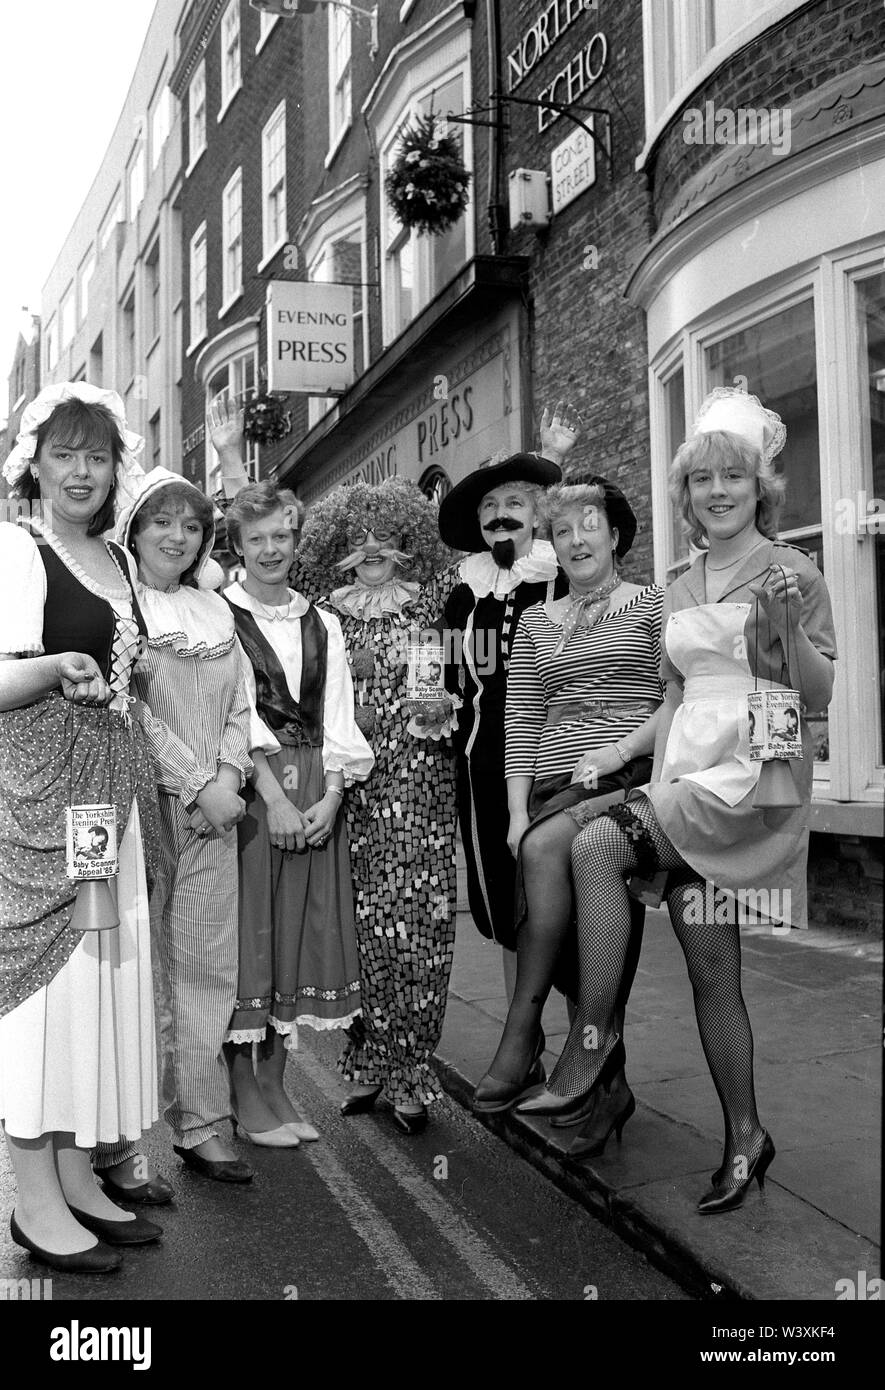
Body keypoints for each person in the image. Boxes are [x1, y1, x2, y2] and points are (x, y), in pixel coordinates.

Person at [517, 389, 837, 1214]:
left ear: (758, 487)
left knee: (594, 847)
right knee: (709, 965)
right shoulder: (678, 580)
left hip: (750, 777)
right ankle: (745, 1136)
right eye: (702, 480)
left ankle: (590, 1046)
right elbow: (672, 697)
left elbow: (816, 695)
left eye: (733, 476)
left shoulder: (792, 570)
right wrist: (614, 754)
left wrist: (789, 631)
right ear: (685, 495)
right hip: (688, 767)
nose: (717, 492)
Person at [0, 383, 165, 1272]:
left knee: (97, 977)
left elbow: (132, 676)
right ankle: (32, 1200)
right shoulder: (14, 548)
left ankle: (75, 1175)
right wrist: (55, 666)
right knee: (42, 988)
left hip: (105, 800)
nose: (80, 471)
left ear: (114, 470)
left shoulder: (116, 560)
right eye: (63, 453)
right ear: (36, 461)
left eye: (95, 456)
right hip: (35, 798)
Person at [472, 481, 664, 1142]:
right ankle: (604, 1082)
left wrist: (618, 752)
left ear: (615, 535)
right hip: (552, 788)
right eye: (563, 530)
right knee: (543, 888)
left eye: (590, 525)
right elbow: (519, 719)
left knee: (547, 856)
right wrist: (513, 812)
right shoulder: (536, 621)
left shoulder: (652, 605)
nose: (577, 539)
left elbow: (681, 696)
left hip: (629, 777)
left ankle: (524, 1034)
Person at [116, 466, 272, 1184]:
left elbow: (240, 705)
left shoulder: (217, 614)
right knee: (128, 973)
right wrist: (196, 782)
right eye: (162, 522)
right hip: (142, 811)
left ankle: (203, 1125)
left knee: (208, 970)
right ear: (135, 530)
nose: (176, 536)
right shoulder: (120, 606)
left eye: (191, 525)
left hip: (213, 813)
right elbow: (131, 715)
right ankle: (112, 1147)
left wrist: (231, 777)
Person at [297, 479, 459, 1135]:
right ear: (337, 545)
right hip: (349, 788)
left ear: (404, 542)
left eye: (383, 535)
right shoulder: (323, 614)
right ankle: (368, 1060)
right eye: (355, 536)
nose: (369, 548)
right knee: (360, 930)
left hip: (419, 783)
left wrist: (447, 704)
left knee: (416, 930)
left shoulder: (434, 607)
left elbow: (470, 677)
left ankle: (412, 1070)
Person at [220, 481, 374, 1145]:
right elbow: (232, 714)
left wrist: (333, 797)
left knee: (291, 938)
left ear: (295, 539)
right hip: (253, 788)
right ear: (238, 546)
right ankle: (240, 1094)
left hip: (315, 784)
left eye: (280, 536)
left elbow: (337, 712)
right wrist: (275, 797)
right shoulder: (219, 616)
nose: (270, 549)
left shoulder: (323, 621)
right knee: (251, 936)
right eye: (256, 539)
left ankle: (275, 1084)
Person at [436, 404, 580, 1001]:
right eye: (490, 510)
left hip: (557, 756)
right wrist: (435, 704)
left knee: (567, 898)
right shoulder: (464, 594)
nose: (500, 518)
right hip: (484, 762)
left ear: (536, 521)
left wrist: (555, 461)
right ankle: (524, 1049)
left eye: (514, 507)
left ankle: (588, 1047)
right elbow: (446, 673)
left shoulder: (560, 578)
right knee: (501, 898)